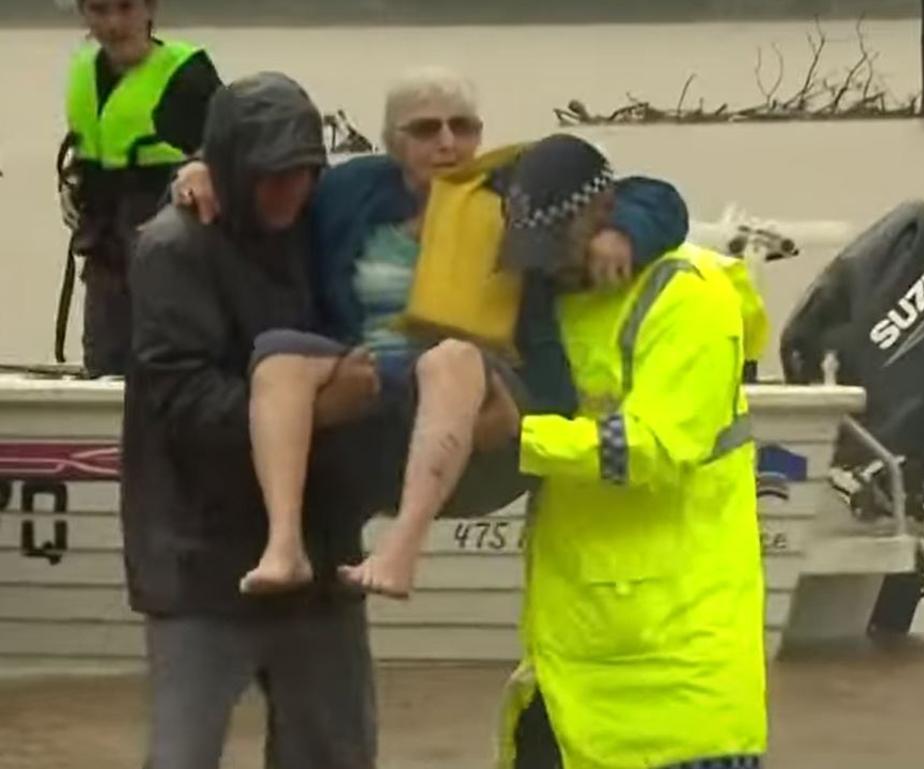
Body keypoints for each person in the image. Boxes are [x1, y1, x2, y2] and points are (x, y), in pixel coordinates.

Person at [172, 66, 690, 599]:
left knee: (450, 359)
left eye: (462, 127)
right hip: (380, 384)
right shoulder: (351, 191)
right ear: (393, 142)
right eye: (425, 130)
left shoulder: (515, 183)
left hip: (490, 392)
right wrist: (202, 170)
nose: (447, 143)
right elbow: (271, 183)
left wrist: (622, 230)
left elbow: (657, 196)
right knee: (277, 355)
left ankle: (400, 552)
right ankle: (284, 547)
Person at [122, 72, 377, 769]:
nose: (290, 190)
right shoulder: (174, 247)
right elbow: (180, 399)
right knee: (183, 755)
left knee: (332, 754)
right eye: (271, 175)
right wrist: (318, 409)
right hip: (199, 555)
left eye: (304, 172)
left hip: (318, 555)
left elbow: (430, 184)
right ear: (234, 167)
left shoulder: (319, 223)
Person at [492, 135, 769, 769]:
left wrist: (519, 438)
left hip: (682, 686)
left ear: (603, 213)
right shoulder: (547, 302)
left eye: (555, 248)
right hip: (570, 679)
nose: (546, 269)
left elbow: (654, 447)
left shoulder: (689, 296)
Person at [61, 0, 220, 376]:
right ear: (82, 13)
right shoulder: (84, 69)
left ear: (150, 9)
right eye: (99, 10)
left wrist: (203, 166)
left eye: (126, 7)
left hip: (172, 249)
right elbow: (90, 146)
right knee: (103, 367)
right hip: (105, 248)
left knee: (172, 369)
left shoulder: (186, 73)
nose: (114, 23)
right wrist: (74, 182)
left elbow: (232, 147)